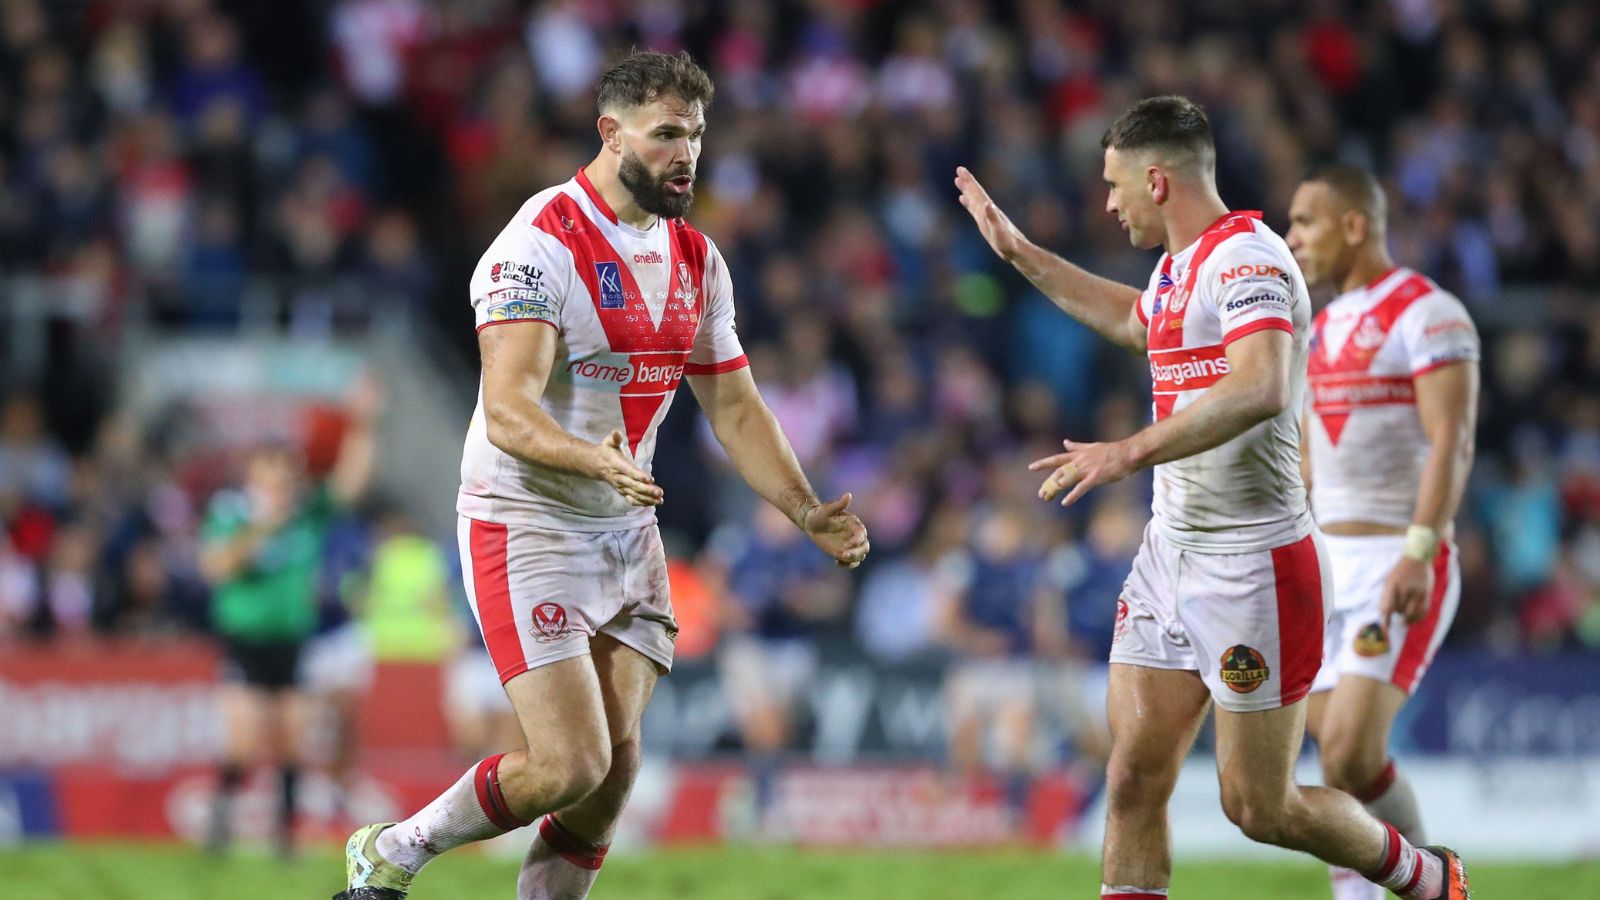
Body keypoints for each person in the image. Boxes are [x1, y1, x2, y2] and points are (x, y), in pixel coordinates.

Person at [337, 51, 869, 900]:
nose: (686, 155)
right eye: (666, 135)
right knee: (568, 765)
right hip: (527, 522)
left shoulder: (697, 259)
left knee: (614, 773)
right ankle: (394, 850)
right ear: (610, 134)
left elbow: (735, 406)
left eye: (696, 135)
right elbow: (508, 410)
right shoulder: (537, 246)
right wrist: (593, 459)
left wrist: (806, 510)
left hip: (626, 526)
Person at [953, 96, 1468, 899]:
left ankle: (1426, 876)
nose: (1109, 202)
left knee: (1260, 807)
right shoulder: (1175, 269)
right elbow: (1135, 320)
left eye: (1115, 183)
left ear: (1157, 181)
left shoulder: (1250, 259)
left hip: (1254, 565)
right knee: (1132, 777)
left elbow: (1262, 385)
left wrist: (1130, 449)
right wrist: (1022, 255)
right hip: (1171, 552)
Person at [1286, 164, 1480, 900]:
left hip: (1395, 557)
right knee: (1335, 763)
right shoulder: (1318, 327)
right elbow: (1309, 458)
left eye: (1305, 221)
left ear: (1354, 225)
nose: (1292, 238)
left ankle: (1436, 884)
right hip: (1327, 565)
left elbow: (1452, 439)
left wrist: (1420, 549)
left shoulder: (1428, 313)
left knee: (1348, 752)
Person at [199, 382, 378, 856]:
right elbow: (217, 566)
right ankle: (220, 821)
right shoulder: (231, 511)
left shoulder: (306, 512)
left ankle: (285, 839)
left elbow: (351, 484)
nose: (284, 479)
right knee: (243, 743)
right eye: (274, 468)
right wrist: (263, 527)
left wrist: (362, 425)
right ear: (254, 472)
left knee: (294, 742)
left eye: (289, 470)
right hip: (245, 641)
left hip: (294, 640)